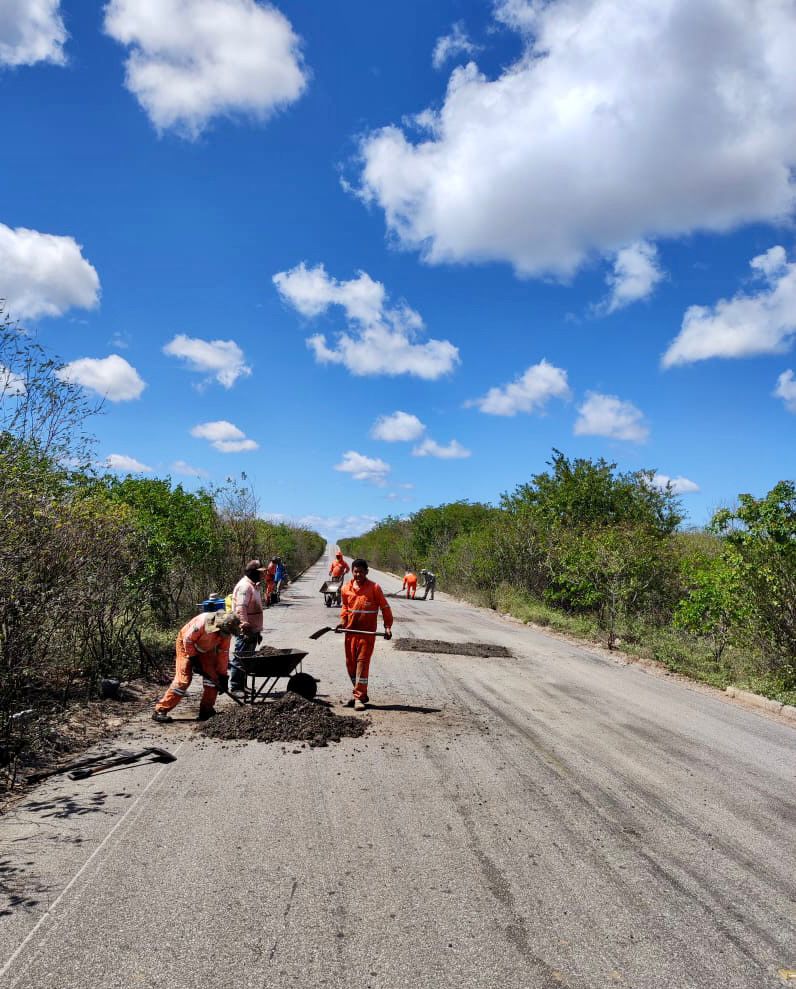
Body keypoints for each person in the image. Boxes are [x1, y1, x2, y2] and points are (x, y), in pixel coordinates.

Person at [152, 610, 241, 722]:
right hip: (186, 645)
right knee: (183, 680)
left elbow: (223, 654)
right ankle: (160, 710)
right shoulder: (204, 622)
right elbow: (188, 640)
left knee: (213, 679)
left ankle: (206, 710)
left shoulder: (226, 635)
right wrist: (193, 659)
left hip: (206, 649)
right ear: (221, 625)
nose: (227, 635)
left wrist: (223, 676)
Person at [337, 558, 393, 710]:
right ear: (352, 572)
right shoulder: (345, 589)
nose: (358, 574)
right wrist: (342, 622)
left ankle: (358, 698)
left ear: (366, 572)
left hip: (367, 635)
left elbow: (385, 608)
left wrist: (387, 627)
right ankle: (360, 693)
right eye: (356, 571)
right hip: (350, 633)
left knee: (362, 665)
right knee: (351, 665)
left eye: (361, 571)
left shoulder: (374, 588)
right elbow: (345, 608)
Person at [229, 559, 266, 693]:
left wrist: (257, 631)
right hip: (245, 630)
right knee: (240, 658)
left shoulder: (253, 586)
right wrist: (245, 627)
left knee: (247, 659)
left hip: (252, 630)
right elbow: (240, 608)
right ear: (253, 573)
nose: (262, 575)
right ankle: (236, 687)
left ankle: (242, 686)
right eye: (260, 572)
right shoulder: (245, 587)